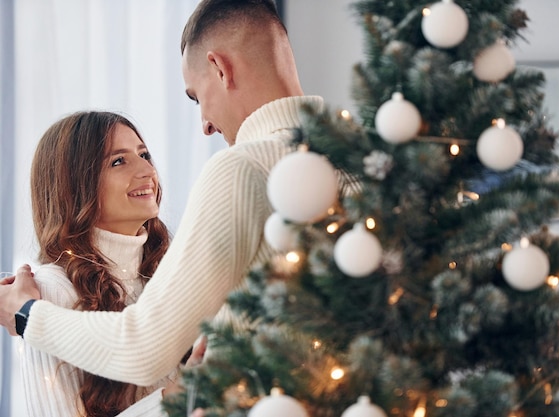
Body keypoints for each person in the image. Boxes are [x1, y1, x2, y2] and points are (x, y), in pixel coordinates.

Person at [0, 0, 323, 392]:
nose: (205, 124)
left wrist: (26, 315)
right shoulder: (362, 159)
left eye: (196, 96)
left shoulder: (241, 168)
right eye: (117, 161)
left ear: (220, 69)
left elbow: (143, 348)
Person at [16, 111, 203, 417]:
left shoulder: (167, 279)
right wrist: (178, 396)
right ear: (75, 186)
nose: (147, 170)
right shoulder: (50, 291)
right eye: (119, 161)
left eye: (144, 155)